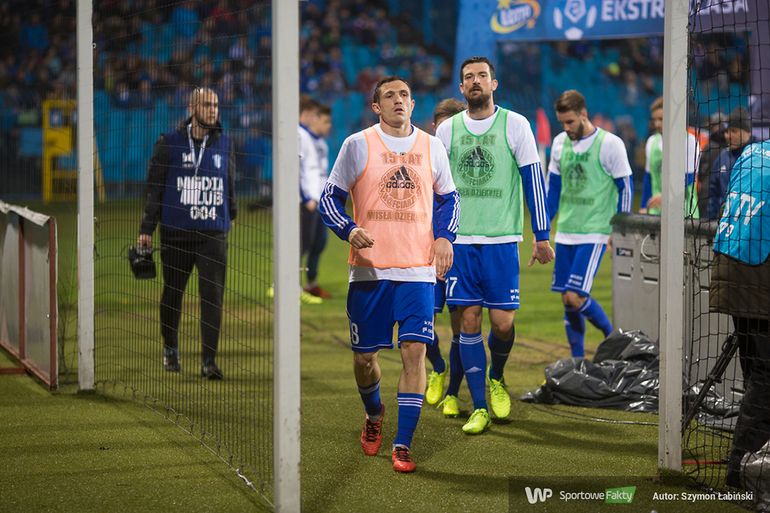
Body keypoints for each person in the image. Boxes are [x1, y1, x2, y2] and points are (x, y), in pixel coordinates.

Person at [318, 76, 459, 472]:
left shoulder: (432, 146)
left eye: (405, 95)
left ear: (412, 105)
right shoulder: (357, 144)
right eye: (390, 95)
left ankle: (403, 444)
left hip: (418, 271)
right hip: (370, 272)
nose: (399, 100)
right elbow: (329, 200)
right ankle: (374, 413)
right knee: (365, 359)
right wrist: (349, 229)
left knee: (415, 353)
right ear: (376, 107)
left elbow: (450, 198)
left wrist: (444, 237)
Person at [435, 56, 554, 435]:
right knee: (468, 322)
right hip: (460, 242)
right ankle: (480, 406)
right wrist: (438, 235)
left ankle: (497, 376)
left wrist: (541, 234)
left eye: (482, 76)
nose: (475, 81)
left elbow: (533, 179)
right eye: (468, 77)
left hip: (502, 240)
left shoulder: (515, 124)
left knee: (503, 324)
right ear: (461, 87)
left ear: (493, 83)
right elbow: (436, 188)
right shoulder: (447, 130)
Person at [137, 87, 236, 380]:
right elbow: (155, 189)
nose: (213, 110)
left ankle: (209, 361)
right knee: (173, 293)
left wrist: (231, 214)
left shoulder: (225, 142)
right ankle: (170, 350)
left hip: (212, 235)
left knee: (213, 297)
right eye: (206, 104)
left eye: (215, 105)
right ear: (191, 108)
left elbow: (230, 181)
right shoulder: (169, 143)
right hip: (176, 233)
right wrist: (146, 229)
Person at [547, 89, 633, 358]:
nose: (566, 127)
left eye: (570, 121)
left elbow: (625, 188)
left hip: (595, 232)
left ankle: (614, 340)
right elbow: (553, 191)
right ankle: (577, 361)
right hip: (566, 232)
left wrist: (619, 230)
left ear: (584, 114)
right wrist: (543, 228)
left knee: (575, 296)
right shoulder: (559, 144)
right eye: (562, 122)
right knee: (567, 300)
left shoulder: (610, 144)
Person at [709, 138, 770, 488]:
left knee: (755, 372)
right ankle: (743, 469)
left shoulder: (751, 152)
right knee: (765, 377)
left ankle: (752, 463)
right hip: (757, 274)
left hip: (732, 266)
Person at [424, 97, 466, 416]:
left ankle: (452, 392)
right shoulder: (423, 154)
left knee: (461, 326)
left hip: (461, 249)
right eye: (440, 127)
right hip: (424, 248)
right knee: (422, 320)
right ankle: (438, 366)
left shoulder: (467, 160)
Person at [639, 97, 701, 218]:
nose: (656, 124)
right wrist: (643, 206)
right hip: (657, 212)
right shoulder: (651, 142)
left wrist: (665, 197)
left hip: (684, 212)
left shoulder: (689, 141)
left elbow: (688, 178)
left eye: (661, 119)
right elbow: (648, 178)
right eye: (654, 120)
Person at [303, 102, 333, 299]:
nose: (329, 126)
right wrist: (307, 196)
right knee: (303, 244)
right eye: (326, 121)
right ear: (315, 119)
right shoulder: (303, 139)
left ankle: (311, 283)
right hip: (309, 200)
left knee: (320, 243)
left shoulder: (322, 144)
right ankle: (286, 284)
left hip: (321, 201)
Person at [298, 96, 325, 305]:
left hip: (312, 200)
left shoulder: (306, 135)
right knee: (301, 245)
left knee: (307, 244)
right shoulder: (299, 134)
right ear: (306, 113)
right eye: (315, 115)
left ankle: (296, 286)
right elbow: (296, 168)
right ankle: (291, 286)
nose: (316, 119)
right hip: (305, 201)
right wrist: (307, 197)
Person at [707, 107, 756, 219]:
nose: (728, 136)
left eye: (734, 131)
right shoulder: (722, 158)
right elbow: (712, 195)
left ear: (748, 132)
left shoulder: (758, 157)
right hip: (723, 222)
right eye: (726, 131)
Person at [697, 112, 726, 215]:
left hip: (708, 195)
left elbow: (701, 174)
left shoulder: (710, 147)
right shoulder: (730, 147)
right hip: (721, 194)